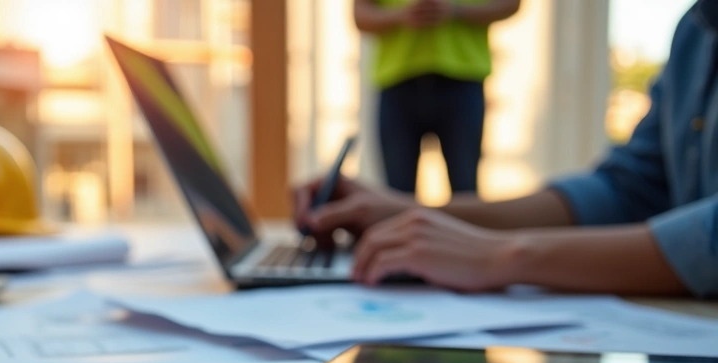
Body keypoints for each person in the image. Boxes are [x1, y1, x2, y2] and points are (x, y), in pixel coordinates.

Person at [294, 0, 718, 299]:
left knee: (463, 181)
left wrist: (504, 255)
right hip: (399, 81)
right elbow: (629, 189)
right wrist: (403, 210)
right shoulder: (696, 31)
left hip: (461, 80)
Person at [355, 0, 521, 194]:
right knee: (397, 199)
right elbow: (360, 15)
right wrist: (401, 16)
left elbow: (510, 4)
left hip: (462, 81)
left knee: (465, 194)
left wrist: (456, 11)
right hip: (398, 82)